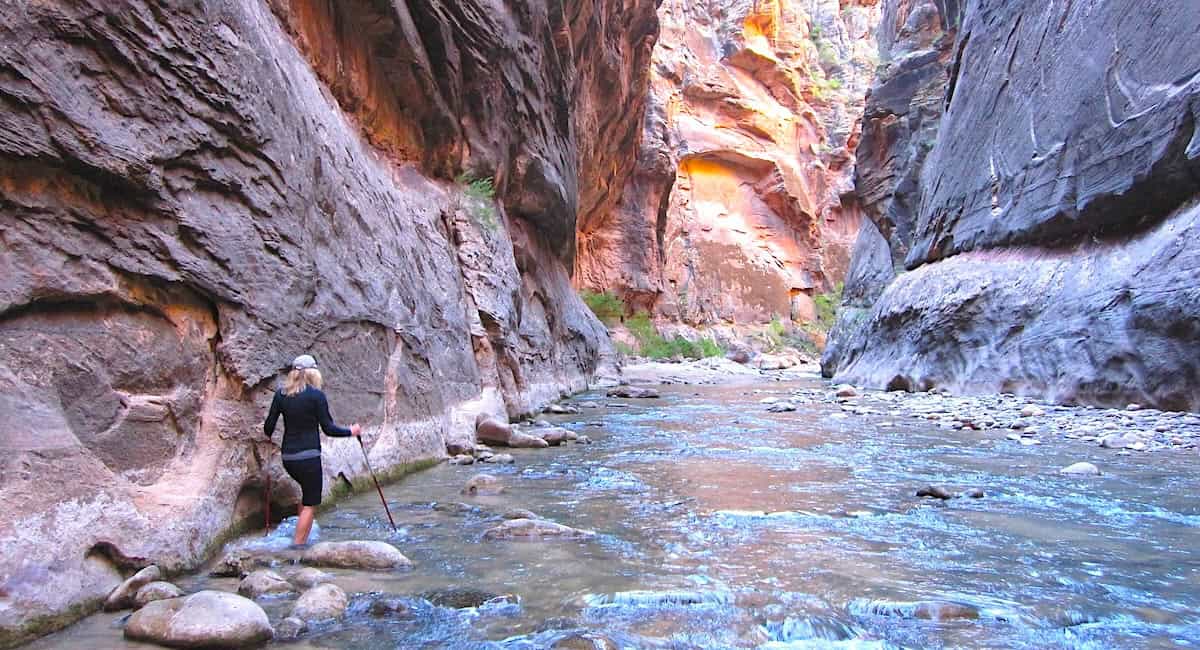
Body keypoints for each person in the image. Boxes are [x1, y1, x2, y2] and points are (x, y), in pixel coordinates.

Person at [263, 354, 361, 546]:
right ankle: (297, 548)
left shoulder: (280, 395)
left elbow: (268, 427)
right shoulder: (316, 396)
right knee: (311, 503)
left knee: (306, 494)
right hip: (309, 457)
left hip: (289, 458)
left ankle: (305, 534)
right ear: (312, 373)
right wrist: (351, 431)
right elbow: (329, 429)